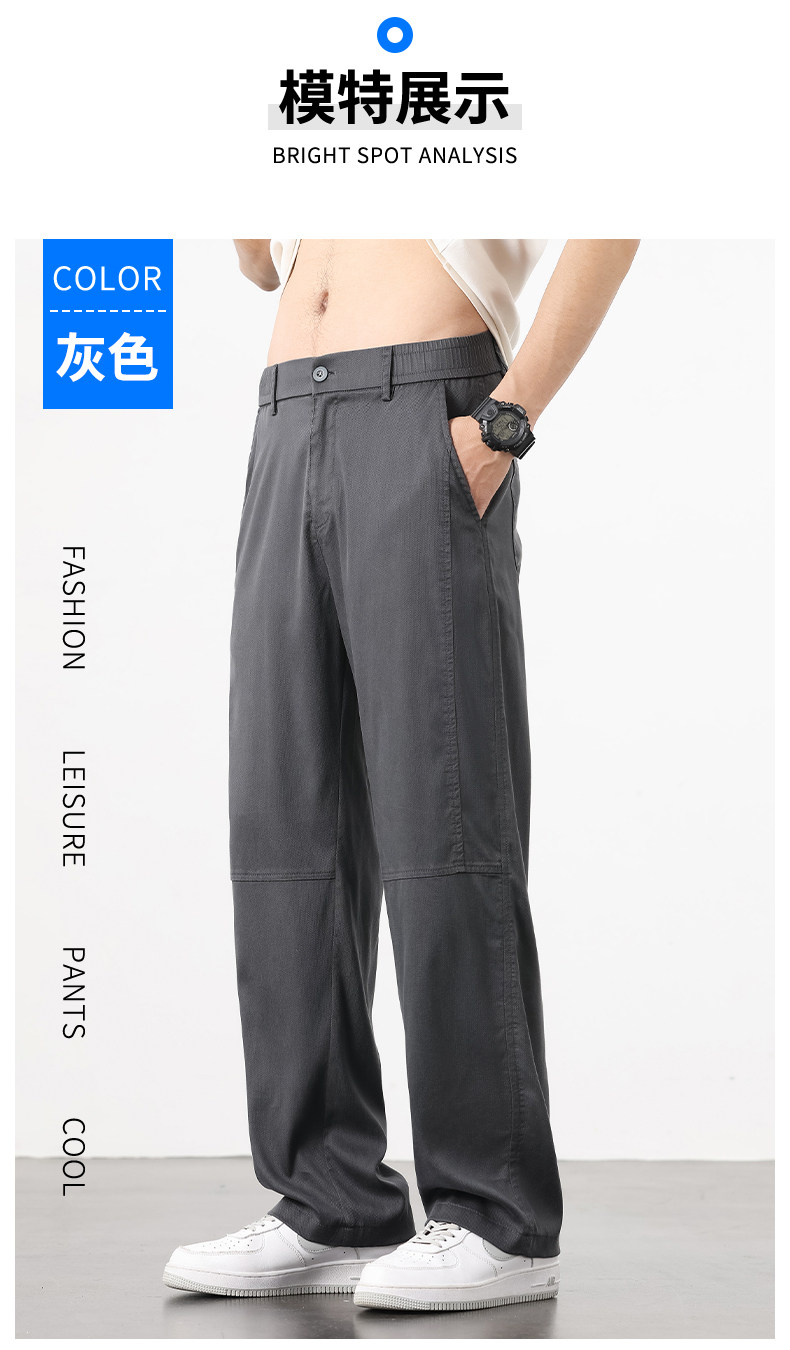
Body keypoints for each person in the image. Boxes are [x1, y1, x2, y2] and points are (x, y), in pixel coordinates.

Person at [164, 238, 639, 1312]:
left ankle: (496, 1214)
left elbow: (615, 218)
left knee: (445, 812)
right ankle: (328, 1199)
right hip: (285, 416)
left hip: (432, 406)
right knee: (285, 828)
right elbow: (259, 263)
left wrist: (502, 425)